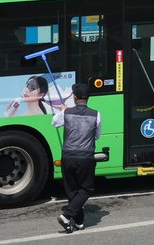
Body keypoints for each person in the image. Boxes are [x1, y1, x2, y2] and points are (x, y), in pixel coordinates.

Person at [54, 83, 101, 233]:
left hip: (68, 156)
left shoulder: (66, 113)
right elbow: (97, 136)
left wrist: (63, 111)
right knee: (86, 189)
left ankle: (79, 222)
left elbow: (54, 122)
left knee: (72, 191)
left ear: (74, 97)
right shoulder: (96, 114)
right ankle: (67, 216)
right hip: (86, 157)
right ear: (88, 98)